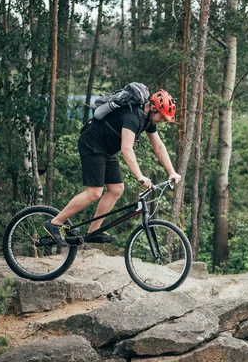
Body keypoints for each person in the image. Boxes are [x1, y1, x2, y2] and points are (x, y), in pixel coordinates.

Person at [44, 86, 182, 247]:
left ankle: (93, 231)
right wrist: (140, 176)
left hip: (107, 150)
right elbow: (126, 149)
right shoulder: (133, 117)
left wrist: (171, 171)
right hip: (92, 145)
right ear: (153, 108)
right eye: (162, 117)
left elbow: (158, 146)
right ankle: (55, 223)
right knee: (94, 193)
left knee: (116, 189)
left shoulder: (147, 119)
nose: (162, 121)